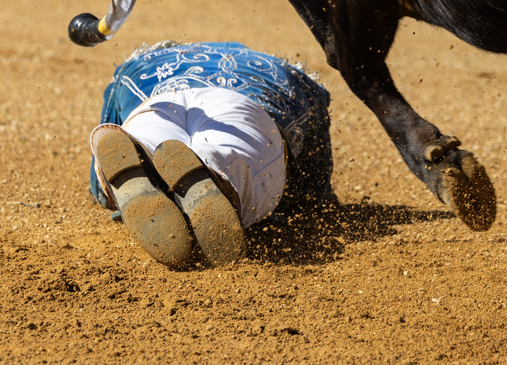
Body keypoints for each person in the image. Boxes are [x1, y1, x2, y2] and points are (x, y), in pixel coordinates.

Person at [88, 41, 335, 269]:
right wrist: (312, 200)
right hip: (240, 103)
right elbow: (314, 180)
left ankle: (144, 156)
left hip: (157, 103)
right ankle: (217, 176)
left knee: (146, 140)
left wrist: (104, 193)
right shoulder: (282, 69)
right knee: (233, 162)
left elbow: (106, 142)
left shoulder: (137, 65)